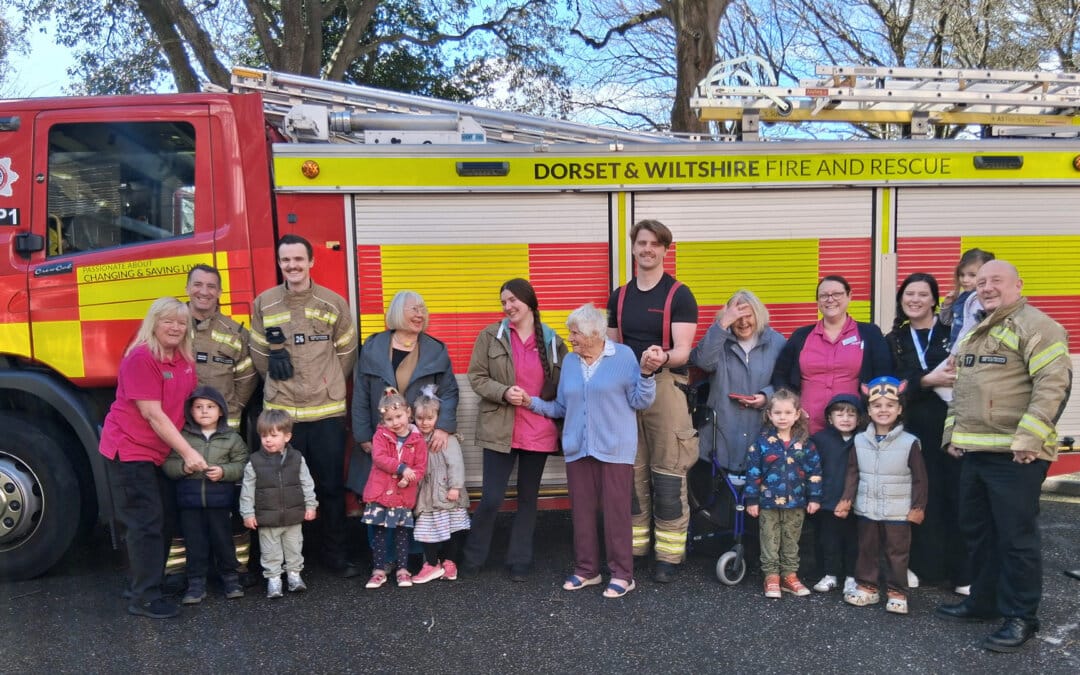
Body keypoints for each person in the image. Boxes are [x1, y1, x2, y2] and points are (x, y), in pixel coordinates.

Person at [935, 260, 1072, 653]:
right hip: (975, 451)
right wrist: (950, 435)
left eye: (996, 280)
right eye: (981, 282)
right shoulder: (979, 329)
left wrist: (1030, 437)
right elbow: (961, 388)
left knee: (1015, 540)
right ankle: (984, 601)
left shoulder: (1036, 326)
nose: (987, 287)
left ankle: (1020, 617)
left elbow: (1053, 385)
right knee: (979, 534)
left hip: (1016, 456)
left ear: (1018, 285)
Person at [530, 303, 657, 598]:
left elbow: (641, 401)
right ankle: (587, 570)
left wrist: (648, 375)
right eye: (570, 332)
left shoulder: (624, 357)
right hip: (578, 447)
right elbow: (562, 406)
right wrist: (531, 403)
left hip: (615, 447)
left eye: (575, 333)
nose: (570, 338)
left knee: (617, 513)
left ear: (596, 333)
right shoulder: (571, 363)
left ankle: (623, 574)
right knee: (583, 513)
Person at [250, 234, 358, 576]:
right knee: (282, 488)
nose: (292, 266)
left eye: (299, 259)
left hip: (325, 413)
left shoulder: (333, 303)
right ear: (279, 264)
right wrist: (281, 384)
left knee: (329, 487)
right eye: (286, 260)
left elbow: (346, 352)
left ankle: (335, 557)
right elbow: (258, 355)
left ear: (312, 262)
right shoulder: (264, 304)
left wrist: (327, 384)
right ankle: (289, 560)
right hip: (282, 416)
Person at [98, 297, 208, 619]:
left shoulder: (183, 359)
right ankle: (144, 598)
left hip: (158, 452)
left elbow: (183, 406)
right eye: (168, 321)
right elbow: (153, 415)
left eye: (181, 322)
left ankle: (148, 583)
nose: (175, 327)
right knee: (145, 523)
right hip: (129, 450)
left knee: (164, 519)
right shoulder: (141, 357)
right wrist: (189, 453)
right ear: (154, 323)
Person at [607, 219, 699, 583]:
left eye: (655, 244)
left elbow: (683, 351)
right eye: (642, 242)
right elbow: (612, 347)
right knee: (631, 472)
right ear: (633, 247)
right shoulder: (620, 295)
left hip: (665, 387)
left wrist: (661, 358)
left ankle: (668, 556)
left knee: (666, 473)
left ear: (665, 249)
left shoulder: (679, 295)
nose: (647, 249)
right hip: (627, 391)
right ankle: (635, 549)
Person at [462, 278, 567, 580]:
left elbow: (561, 387)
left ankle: (520, 560)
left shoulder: (552, 341)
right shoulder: (489, 336)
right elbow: (476, 377)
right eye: (503, 302)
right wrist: (504, 392)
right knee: (492, 498)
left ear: (530, 302)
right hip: (500, 429)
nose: (508, 307)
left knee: (527, 499)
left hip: (538, 430)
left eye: (512, 300)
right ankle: (473, 558)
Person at [887, 273, 967, 594]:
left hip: (954, 428)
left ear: (934, 299)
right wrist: (926, 381)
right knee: (921, 496)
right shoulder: (892, 340)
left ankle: (962, 573)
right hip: (914, 429)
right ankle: (923, 565)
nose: (915, 300)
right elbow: (891, 384)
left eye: (922, 294)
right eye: (909, 294)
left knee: (957, 497)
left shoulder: (955, 333)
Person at [836, 377, 928, 615]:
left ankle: (898, 592)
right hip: (867, 507)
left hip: (898, 511)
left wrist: (918, 507)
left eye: (890, 405)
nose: (883, 410)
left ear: (899, 409)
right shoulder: (859, 440)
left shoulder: (910, 443)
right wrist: (846, 500)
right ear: (868, 409)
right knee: (866, 549)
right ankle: (868, 587)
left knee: (897, 552)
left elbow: (920, 479)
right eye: (877, 405)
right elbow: (852, 473)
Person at [772, 274, 892, 434]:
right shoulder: (801, 336)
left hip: (853, 425)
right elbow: (780, 375)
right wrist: (791, 407)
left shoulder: (869, 333)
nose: (830, 299)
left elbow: (883, 375)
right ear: (818, 301)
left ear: (849, 296)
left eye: (837, 294)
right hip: (806, 425)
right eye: (824, 295)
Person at [162, 385, 249, 604]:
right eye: (198, 407)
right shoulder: (181, 437)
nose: (204, 411)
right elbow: (168, 464)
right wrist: (184, 468)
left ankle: (231, 579)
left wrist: (224, 472)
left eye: (210, 407)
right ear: (190, 411)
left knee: (224, 541)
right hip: (189, 503)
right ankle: (195, 584)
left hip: (220, 503)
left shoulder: (231, 438)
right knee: (194, 543)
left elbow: (242, 464)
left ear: (221, 411)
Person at [690, 289, 786, 472]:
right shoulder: (719, 340)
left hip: (762, 430)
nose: (743, 322)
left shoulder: (777, 342)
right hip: (720, 434)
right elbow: (702, 362)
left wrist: (767, 397)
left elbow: (788, 383)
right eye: (736, 317)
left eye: (748, 316)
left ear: (758, 315)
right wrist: (723, 323)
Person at [745, 388, 822, 599]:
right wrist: (751, 499)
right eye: (777, 413)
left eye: (788, 413)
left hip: (796, 503)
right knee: (769, 539)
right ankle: (771, 577)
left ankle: (789, 575)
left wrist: (814, 497)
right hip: (767, 503)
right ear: (769, 414)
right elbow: (753, 473)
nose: (783, 417)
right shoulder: (761, 443)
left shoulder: (805, 443)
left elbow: (814, 472)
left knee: (791, 540)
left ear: (797, 414)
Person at [239, 409, 318, 599]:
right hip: (267, 517)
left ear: (287, 436)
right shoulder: (254, 462)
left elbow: (307, 483)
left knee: (294, 547)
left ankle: (294, 575)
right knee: (270, 551)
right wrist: (247, 513)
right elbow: (247, 491)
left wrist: (311, 505)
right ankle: (274, 579)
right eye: (264, 435)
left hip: (293, 515)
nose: (268, 440)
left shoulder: (297, 458)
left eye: (273, 435)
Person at [362, 388, 428, 589]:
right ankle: (379, 570)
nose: (396, 422)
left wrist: (410, 479)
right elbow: (379, 458)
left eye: (399, 416)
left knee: (401, 533)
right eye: (389, 419)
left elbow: (421, 468)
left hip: (402, 494)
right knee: (379, 532)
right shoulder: (380, 436)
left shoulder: (418, 440)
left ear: (408, 412)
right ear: (383, 421)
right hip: (380, 492)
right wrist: (401, 468)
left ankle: (403, 569)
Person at [185, 264, 258, 429]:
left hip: (223, 432)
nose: (204, 292)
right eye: (197, 285)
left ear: (219, 292)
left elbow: (247, 378)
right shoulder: (170, 326)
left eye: (211, 286)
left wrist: (230, 407)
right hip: (180, 429)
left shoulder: (236, 333)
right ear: (187, 288)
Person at [411, 385, 471, 583]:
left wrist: (455, 487)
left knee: (453, 529)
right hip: (427, 496)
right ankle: (431, 563)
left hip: (447, 493)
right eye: (420, 418)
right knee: (426, 530)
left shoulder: (446, 439)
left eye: (429, 418)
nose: (424, 423)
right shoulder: (415, 438)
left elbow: (455, 463)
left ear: (438, 417)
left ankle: (449, 562)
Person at [809, 393, 862, 595]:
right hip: (827, 501)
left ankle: (851, 577)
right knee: (828, 540)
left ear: (859, 418)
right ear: (830, 418)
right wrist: (813, 496)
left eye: (851, 414)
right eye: (839, 414)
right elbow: (813, 469)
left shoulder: (863, 439)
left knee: (853, 541)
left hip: (855, 502)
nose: (846, 419)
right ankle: (830, 574)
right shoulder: (820, 439)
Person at [938, 248, 995, 351]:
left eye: (972, 275)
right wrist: (947, 306)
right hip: (957, 351)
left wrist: (955, 353)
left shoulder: (978, 300)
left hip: (968, 351)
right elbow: (946, 322)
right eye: (962, 275)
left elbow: (970, 330)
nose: (965, 280)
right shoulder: (962, 296)